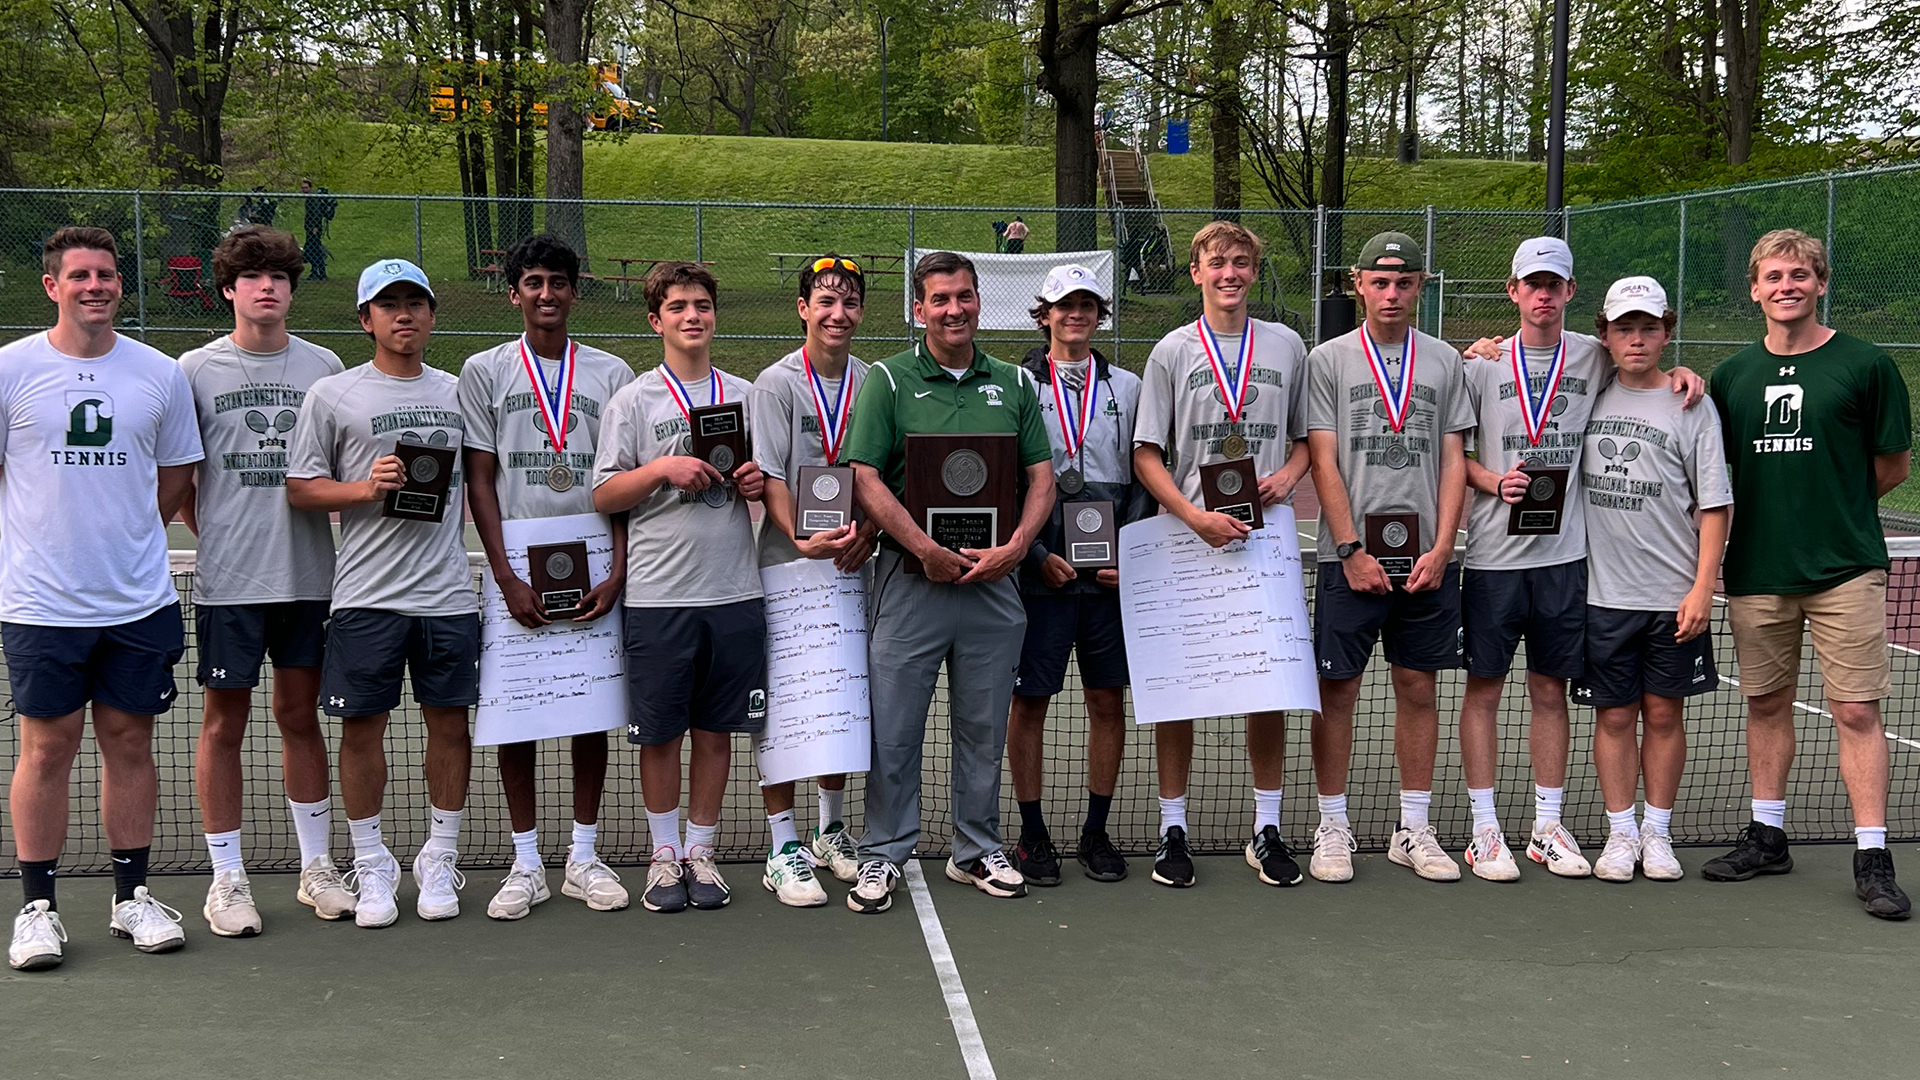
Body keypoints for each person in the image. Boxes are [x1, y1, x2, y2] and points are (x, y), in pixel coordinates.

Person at [4, 227, 204, 971]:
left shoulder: (158, 373)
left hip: (138, 603)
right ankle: (37, 909)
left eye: (108, 274)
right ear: (52, 285)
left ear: (121, 285)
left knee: (130, 744)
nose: (97, 285)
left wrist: (124, 539)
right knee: (45, 749)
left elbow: (179, 474)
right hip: (39, 606)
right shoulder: (11, 369)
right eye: (80, 274)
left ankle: (132, 898)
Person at [1703, 228, 1912, 920]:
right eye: (1773, 277)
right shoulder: (1731, 377)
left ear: (1821, 284)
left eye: (1800, 275)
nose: (1786, 286)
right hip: (1758, 566)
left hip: (1845, 568)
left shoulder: (1866, 365)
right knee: (1765, 703)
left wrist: (1833, 513)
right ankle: (1767, 835)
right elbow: (1710, 467)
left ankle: (1873, 854)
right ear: (1755, 289)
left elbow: (1891, 467)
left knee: (1855, 709)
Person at [839, 250, 1055, 914]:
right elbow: (866, 477)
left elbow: (1040, 478)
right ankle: (882, 854)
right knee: (896, 728)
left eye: (964, 296)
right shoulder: (889, 380)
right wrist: (925, 548)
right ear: (919, 309)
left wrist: (1018, 547)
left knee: (983, 726)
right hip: (911, 582)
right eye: (940, 299)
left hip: (992, 587)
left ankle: (976, 849)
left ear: (978, 302)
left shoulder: (1015, 384)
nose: (953, 309)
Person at [286, 259, 478, 929]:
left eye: (415, 303)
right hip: (365, 598)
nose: (404, 314)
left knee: (450, 727)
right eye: (387, 304)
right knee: (362, 730)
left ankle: (440, 855)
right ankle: (371, 862)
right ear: (364, 318)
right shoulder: (333, 395)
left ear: (431, 315)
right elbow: (302, 487)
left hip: (448, 596)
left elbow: (485, 486)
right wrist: (366, 489)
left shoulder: (461, 392)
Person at [178, 225, 352, 937]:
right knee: (224, 725)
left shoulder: (326, 366)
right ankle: (227, 879)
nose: (267, 286)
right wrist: (218, 529)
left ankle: (317, 871)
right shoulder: (192, 369)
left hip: (311, 579)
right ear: (228, 289)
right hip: (229, 582)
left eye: (279, 276)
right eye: (252, 276)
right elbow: (182, 479)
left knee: (299, 718)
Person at [457, 234, 634, 920]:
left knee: (590, 714)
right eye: (533, 282)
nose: (547, 294)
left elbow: (619, 480)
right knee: (519, 716)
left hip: (592, 555)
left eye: (559, 282)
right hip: (517, 565)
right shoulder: (483, 370)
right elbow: (479, 478)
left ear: (573, 291)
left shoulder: (612, 373)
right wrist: (504, 574)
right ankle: (526, 862)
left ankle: (583, 857)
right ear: (515, 293)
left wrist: (618, 569)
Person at [1131, 222, 1312, 889]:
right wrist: (1192, 517)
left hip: (1267, 539)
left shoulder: (1289, 346)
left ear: (1254, 273)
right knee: (1179, 688)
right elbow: (1148, 453)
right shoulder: (1172, 352)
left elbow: (1304, 441)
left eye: (1241, 262)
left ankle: (1267, 828)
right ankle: (1170, 829)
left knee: (1268, 688)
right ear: (1196, 272)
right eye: (1217, 263)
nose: (1229, 272)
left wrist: (1288, 480)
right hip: (1189, 538)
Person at [592, 262, 767, 915]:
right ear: (655, 320)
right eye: (678, 307)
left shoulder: (748, 396)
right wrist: (663, 467)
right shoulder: (633, 402)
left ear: (714, 315)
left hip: (733, 590)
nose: (692, 316)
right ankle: (663, 857)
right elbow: (606, 492)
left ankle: (701, 850)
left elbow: (769, 481)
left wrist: (753, 483)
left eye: (701, 305)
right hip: (658, 596)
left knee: (716, 731)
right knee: (661, 734)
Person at [1306, 231, 1474, 884]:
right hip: (1350, 560)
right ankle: (1333, 826)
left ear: (1421, 286)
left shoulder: (1444, 361)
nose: (1392, 293)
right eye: (1380, 281)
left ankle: (1414, 826)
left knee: (1418, 688)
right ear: (1358, 284)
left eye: (1404, 283)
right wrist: (1349, 549)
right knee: (1337, 692)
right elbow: (1322, 458)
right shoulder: (1329, 360)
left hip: (1429, 561)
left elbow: (1457, 459)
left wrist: (1442, 547)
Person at [1575, 276, 1732, 882]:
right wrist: (1482, 348)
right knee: (1614, 716)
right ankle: (1619, 834)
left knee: (1664, 715)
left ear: (1666, 332)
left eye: (1648, 327)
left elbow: (1715, 504)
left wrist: (1702, 588)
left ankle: (1657, 833)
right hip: (1602, 595)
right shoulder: (1589, 392)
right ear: (1606, 336)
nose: (1636, 339)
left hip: (1673, 598)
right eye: (1624, 328)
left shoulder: (1693, 404)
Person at [1009, 264, 1152, 886]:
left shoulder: (1129, 384)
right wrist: (1038, 554)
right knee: (1030, 700)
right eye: (1065, 305)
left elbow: (1147, 474)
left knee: (1105, 700)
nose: (1076, 315)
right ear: (1043, 313)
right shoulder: (1016, 383)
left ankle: (1096, 830)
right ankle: (1032, 832)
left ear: (1100, 315)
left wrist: (1131, 553)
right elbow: (1008, 479)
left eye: (1088, 305)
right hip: (1041, 577)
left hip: (1109, 579)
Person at [749, 255, 876, 907]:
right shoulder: (773, 384)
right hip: (787, 566)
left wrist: (869, 534)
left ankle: (830, 829)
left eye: (849, 300)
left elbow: (882, 475)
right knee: (787, 707)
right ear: (803, 308)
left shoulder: (872, 382)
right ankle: (781, 845)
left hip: (855, 564)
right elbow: (770, 474)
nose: (837, 312)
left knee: (842, 699)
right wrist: (801, 536)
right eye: (825, 300)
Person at [300, 179, 335, 282]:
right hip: (311, 228)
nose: (304, 190)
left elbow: (315, 214)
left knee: (313, 250)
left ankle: (318, 273)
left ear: (310, 188)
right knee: (314, 250)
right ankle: (318, 272)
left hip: (313, 229)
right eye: (303, 188)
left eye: (306, 188)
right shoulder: (311, 198)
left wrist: (314, 228)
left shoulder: (313, 199)